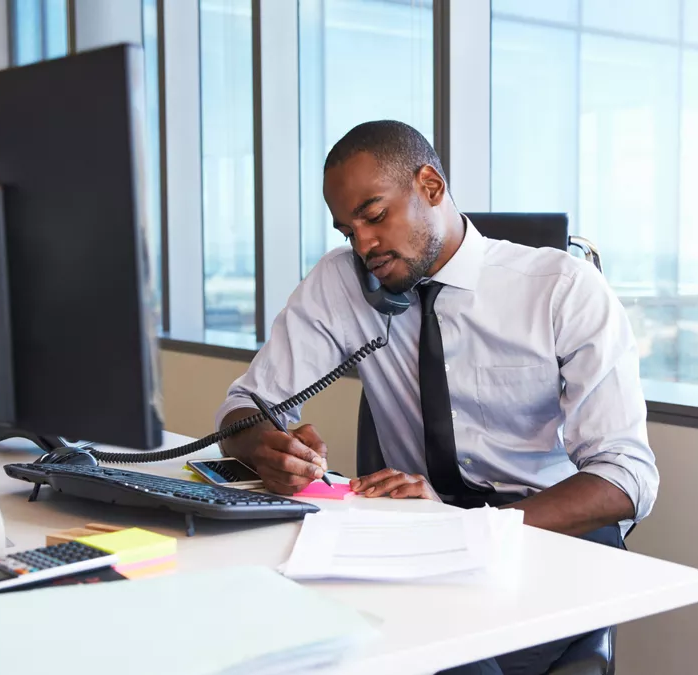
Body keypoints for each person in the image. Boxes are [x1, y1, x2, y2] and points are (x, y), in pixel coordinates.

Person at [217, 120, 658, 674]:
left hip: (542, 537)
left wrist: (467, 531)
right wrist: (265, 446)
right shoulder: (342, 283)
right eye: (348, 230)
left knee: (431, 659)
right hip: (417, 539)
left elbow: (626, 477)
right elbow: (246, 403)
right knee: (294, 641)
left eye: (374, 216)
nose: (363, 245)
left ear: (430, 186)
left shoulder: (562, 288)